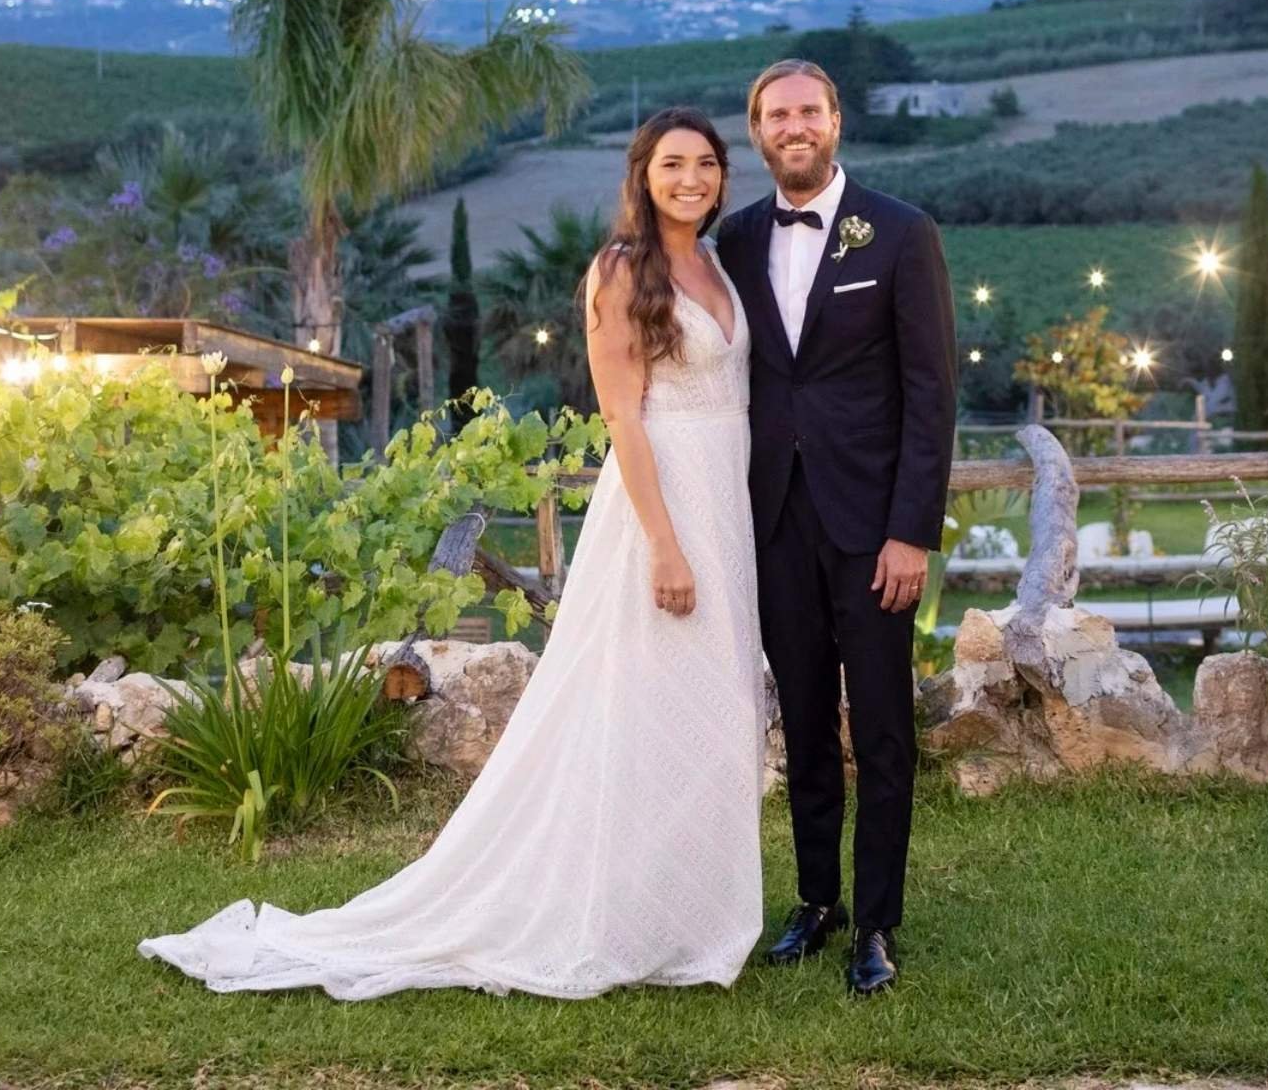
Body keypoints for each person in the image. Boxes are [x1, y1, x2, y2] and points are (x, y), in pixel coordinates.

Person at [139, 106, 765, 1000]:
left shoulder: (716, 265)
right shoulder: (623, 270)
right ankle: (609, 915)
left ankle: (692, 910)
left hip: (727, 505)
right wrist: (665, 545)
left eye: (706, 164)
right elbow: (624, 414)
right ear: (642, 173)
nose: (691, 179)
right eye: (673, 164)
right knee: (639, 705)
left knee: (711, 708)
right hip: (662, 510)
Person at [716, 59, 957, 996]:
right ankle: (815, 901)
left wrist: (912, 532)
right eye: (777, 115)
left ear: (836, 121)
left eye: (808, 110)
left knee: (884, 728)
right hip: (772, 521)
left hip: (873, 530)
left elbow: (932, 393)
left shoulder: (900, 234)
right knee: (806, 720)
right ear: (759, 132)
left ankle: (877, 923)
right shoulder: (734, 241)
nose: (794, 126)